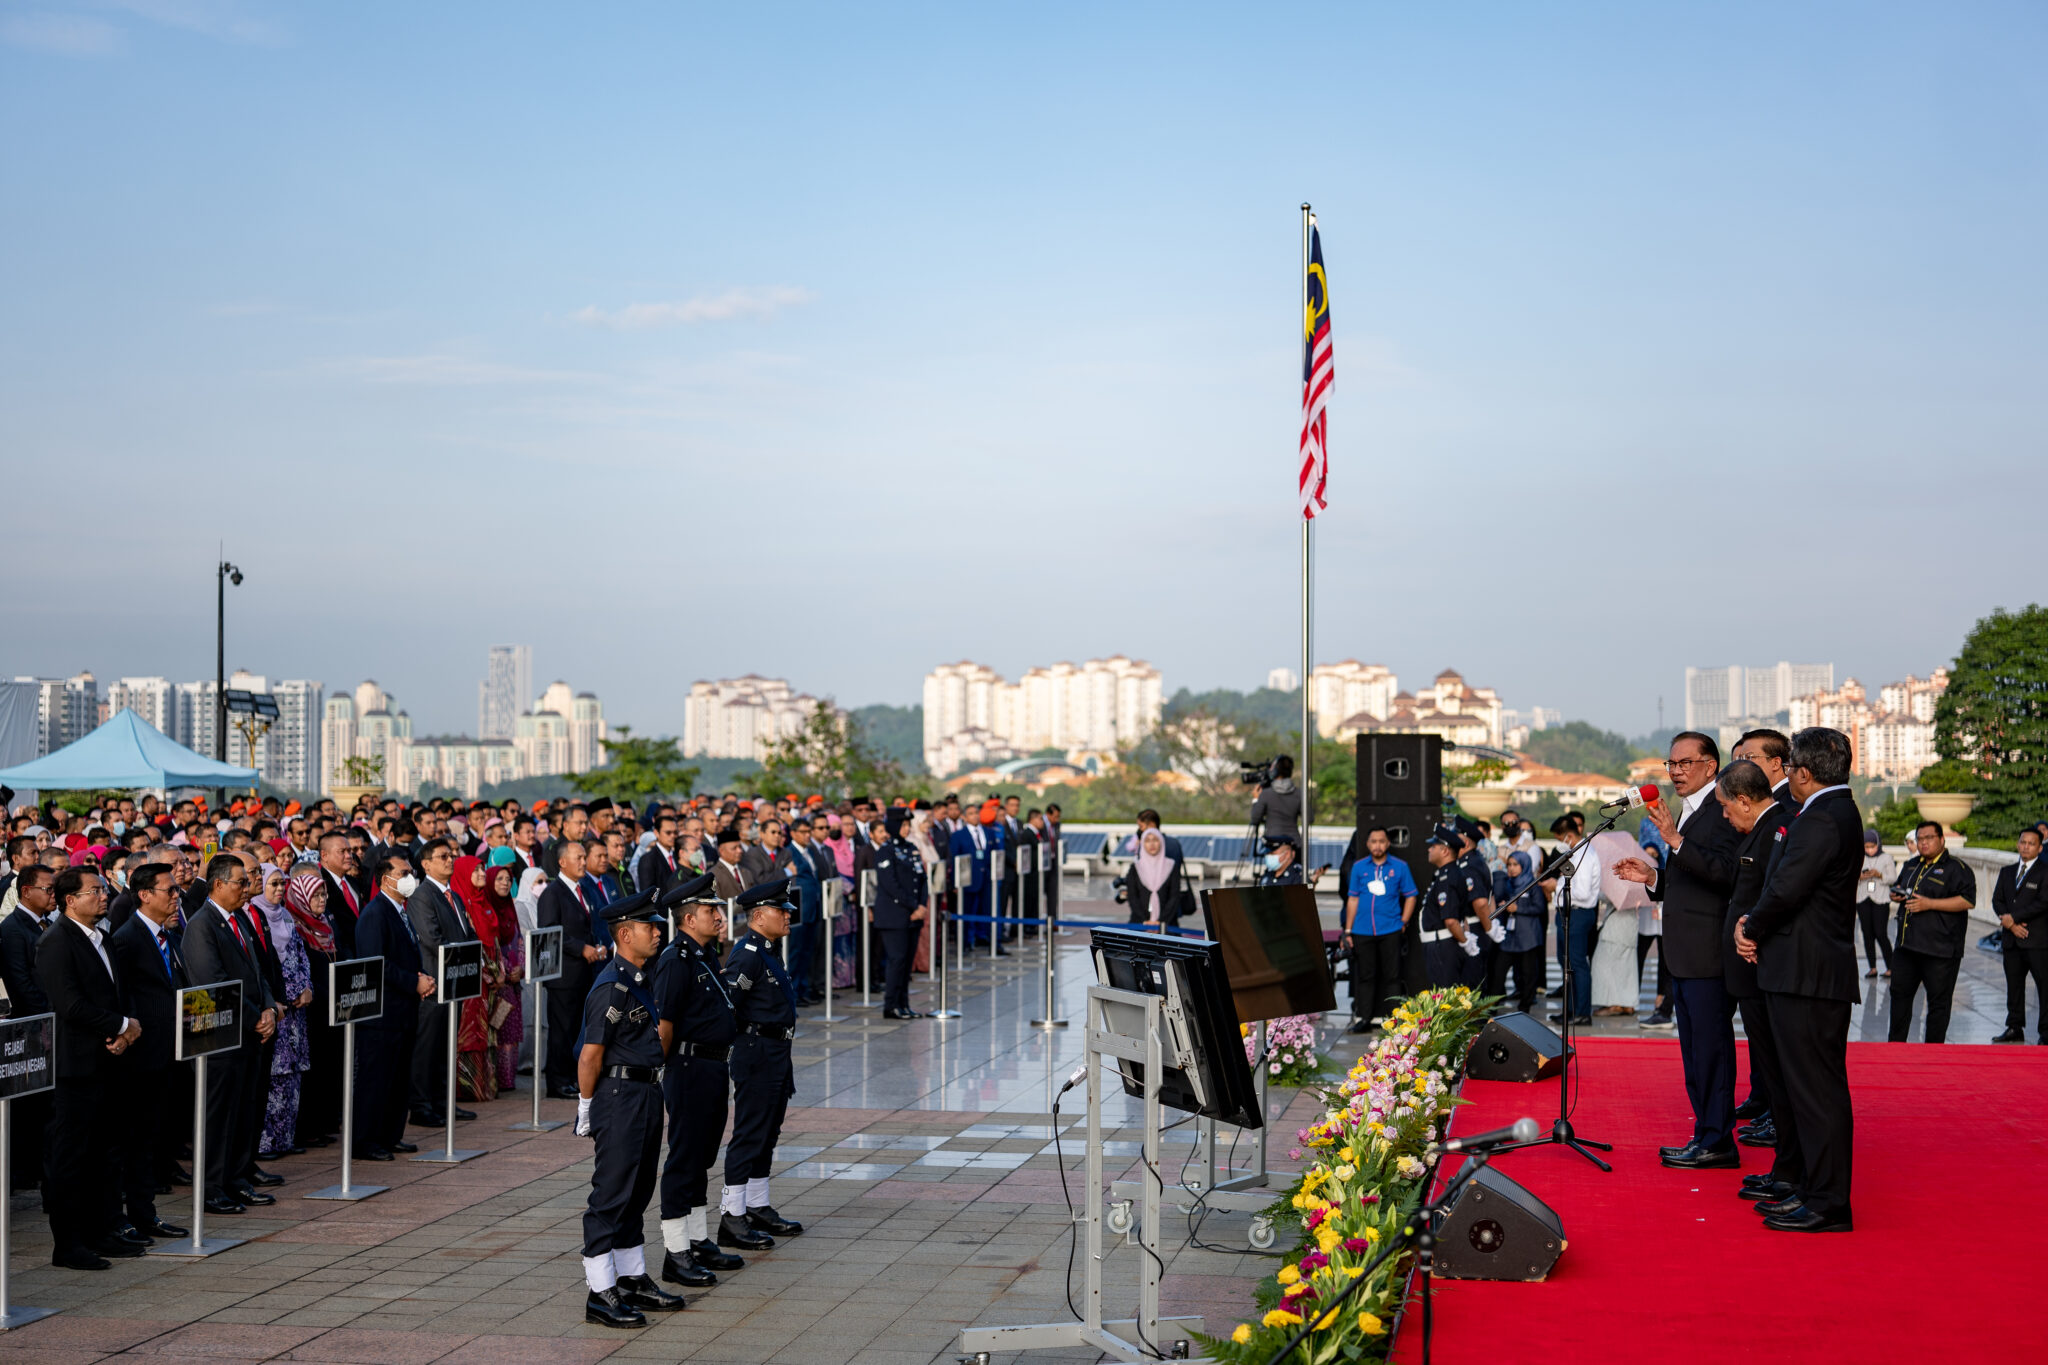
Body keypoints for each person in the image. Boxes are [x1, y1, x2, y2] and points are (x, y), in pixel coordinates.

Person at [1733, 726, 1863, 1233]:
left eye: (1789, 770)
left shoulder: (1824, 818)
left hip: (1808, 973)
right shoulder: (1832, 813)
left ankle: (1828, 1200)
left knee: (1817, 1092)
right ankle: (1810, 1187)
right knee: (1805, 1088)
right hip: (1804, 970)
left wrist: (1751, 925)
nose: (1785, 777)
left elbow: (1787, 888)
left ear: (1804, 773)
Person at [1615, 731, 1741, 1170]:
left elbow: (1726, 874)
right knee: (1693, 1054)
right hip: (1684, 953)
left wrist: (1674, 840)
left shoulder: (1724, 809)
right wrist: (1652, 878)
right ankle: (1705, 1135)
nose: (1675, 771)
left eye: (1685, 763)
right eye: (1671, 764)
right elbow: (1689, 882)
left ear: (1711, 765)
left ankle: (1718, 1140)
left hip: (1709, 952)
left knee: (1711, 1052)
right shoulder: (1689, 813)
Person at [574, 889, 687, 1328]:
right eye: (648, 927)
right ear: (624, 933)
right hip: (619, 1097)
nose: (657, 933)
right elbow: (590, 1055)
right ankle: (600, 1290)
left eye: (657, 926)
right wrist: (586, 1107)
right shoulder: (612, 986)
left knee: (638, 1190)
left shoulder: (639, 978)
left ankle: (632, 1276)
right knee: (611, 1193)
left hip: (644, 1092)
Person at [37, 868, 143, 1268]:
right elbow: (70, 1004)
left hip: (110, 1059)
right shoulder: (55, 941)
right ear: (70, 900)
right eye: (94, 891)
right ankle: (68, 1244)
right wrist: (120, 1026)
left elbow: (121, 991)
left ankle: (102, 1231)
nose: (103, 896)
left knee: (105, 1153)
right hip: (75, 1065)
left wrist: (128, 1029)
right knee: (71, 1157)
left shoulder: (104, 936)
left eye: (102, 889)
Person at [1709, 760, 1802, 1199]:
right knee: (1770, 1067)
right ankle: (1785, 1167)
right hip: (1751, 967)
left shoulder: (1779, 828)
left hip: (1762, 963)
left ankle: (1790, 1170)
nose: (1726, 817)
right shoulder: (1763, 829)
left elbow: (1775, 894)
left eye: (1727, 808)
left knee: (1781, 1074)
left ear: (1745, 800)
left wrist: (1749, 929)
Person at [653, 873, 747, 1286]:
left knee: (703, 1156)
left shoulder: (704, 954)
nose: (718, 915)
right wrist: (665, 1068)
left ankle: (697, 1239)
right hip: (688, 1068)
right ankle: (676, 1252)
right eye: (710, 910)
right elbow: (665, 1024)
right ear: (689, 919)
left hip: (712, 1066)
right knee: (684, 1158)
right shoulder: (677, 960)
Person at [174, 855, 279, 1214]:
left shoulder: (239, 920)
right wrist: (254, 1018)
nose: (247, 888)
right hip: (219, 1038)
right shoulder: (202, 926)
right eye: (240, 882)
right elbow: (213, 983)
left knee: (243, 1111)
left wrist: (268, 1008)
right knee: (217, 1116)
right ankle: (212, 1188)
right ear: (218, 884)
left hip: (248, 1033)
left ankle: (237, 1179)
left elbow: (257, 970)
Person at [720, 879, 805, 1247]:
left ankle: (756, 1204)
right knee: (751, 1132)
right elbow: (728, 1007)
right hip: (756, 1051)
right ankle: (732, 1214)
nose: (788, 915)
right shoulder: (748, 954)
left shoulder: (769, 949)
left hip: (776, 1052)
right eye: (780, 910)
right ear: (758, 916)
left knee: (769, 1130)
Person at [107, 862, 188, 1242]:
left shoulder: (168, 936)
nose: (176, 896)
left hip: (165, 1053)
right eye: (168, 890)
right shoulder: (127, 938)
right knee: (131, 1139)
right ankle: (121, 1215)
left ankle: (146, 1212)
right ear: (144, 895)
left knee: (151, 1138)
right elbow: (121, 998)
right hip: (138, 1057)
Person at [352, 853, 430, 1161]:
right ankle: (366, 1140)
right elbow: (376, 964)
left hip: (403, 1010)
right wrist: (413, 982)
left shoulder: (400, 910)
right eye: (404, 872)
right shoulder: (376, 913)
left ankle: (390, 1134)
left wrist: (420, 977)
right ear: (387, 879)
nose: (411, 877)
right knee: (376, 1079)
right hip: (382, 1013)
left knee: (398, 1077)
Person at [1886, 820, 1977, 1043]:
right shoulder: (1911, 865)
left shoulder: (1957, 868)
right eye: (1920, 839)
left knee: (1938, 1005)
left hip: (1940, 950)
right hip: (1907, 947)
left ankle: (1933, 1053)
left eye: (1929, 838)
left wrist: (1930, 904)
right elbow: (1901, 886)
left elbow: (1967, 901)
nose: (1924, 843)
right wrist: (1896, 895)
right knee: (1899, 1001)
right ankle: (1894, 1050)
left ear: (1941, 840)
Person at [0, 862, 56, 1194]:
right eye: (48, 889)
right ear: (26, 892)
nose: (53, 895)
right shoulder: (13, 929)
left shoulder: (47, 924)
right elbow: (21, 984)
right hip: (33, 1030)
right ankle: (24, 1170)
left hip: (49, 1026)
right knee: (30, 1109)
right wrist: (50, 1018)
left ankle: (34, 1167)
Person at [257, 868, 320, 1160]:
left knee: (293, 1076)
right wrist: (290, 993)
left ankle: (286, 1138)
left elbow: (300, 956)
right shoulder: (256, 917)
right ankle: (266, 1143)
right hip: (277, 1010)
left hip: (297, 1012)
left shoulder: (286, 917)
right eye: (274, 883)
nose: (280, 889)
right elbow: (266, 968)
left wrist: (306, 987)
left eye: (283, 883)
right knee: (274, 1079)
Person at [540, 840, 606, 1098]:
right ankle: (557, 1081)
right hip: (563, 974)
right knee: (562, 1029)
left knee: (577, 1028)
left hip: (584, 973)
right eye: (577, 857)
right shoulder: (553, 893)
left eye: (583, 857)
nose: (582, 862)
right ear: (562, 862)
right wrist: (581, 948)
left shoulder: (584, 890)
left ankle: (572, 1077)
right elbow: (548, 930)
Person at [1342, 827, 1416, 1031]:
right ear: (1367, 844)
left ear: (1388, 843)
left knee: (1392, 977)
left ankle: (1394, 1021)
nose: (1377, 845)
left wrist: (1403, 921)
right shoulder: (1359, 867)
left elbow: (1411, 895)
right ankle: (1364, 1019)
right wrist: (1348, 930)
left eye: (1381, 841)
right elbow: (1353, 899)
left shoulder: (1400, 866)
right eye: (1373, 841)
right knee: (1365, 976)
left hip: (1390, 929)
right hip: (1362, 930)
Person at [450, 855, 504, 1102]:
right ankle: (467, 1087)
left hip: (492, 980)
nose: (482, 874)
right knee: (470, 1033)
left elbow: (494, 940)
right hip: (473, 980)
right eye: (476, 870)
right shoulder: (463, 906)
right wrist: (485, 970)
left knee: (489, 1032)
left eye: (483, 869)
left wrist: (499, 969)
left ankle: (486, 1085)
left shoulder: (485, 903)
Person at [1992, 829, 2048, 1043]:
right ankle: (2014, 1027)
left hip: (2037, 940)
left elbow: (2043, 902)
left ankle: (2046, 1031)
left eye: (2031, 843)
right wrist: (2010, 924)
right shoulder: (2007, 871)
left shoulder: (2045, 872)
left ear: (2040, 848)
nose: (2026, 846)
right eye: (2023, 842)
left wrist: (2012, 918)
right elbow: (1997, 900)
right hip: (2012, 940)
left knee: (2044, 988)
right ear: (2017, 844)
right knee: (2014, 986)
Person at [873, 808, 929, 1018]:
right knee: (897, 960)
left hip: (913, 914)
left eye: (908, 825)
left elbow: (922, 879)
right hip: (895, 915)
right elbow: (890, 884)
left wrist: (922, 905)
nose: (906, 829)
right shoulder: (886, 850)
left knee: (906, 963)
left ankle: (904, 1003)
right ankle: (891, 1005)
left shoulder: (911, 848)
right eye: (903, 825)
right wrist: (913, 906)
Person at [1544, 816, 1602, 1019]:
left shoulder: (1585, 854)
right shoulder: (1574, 853)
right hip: (1567, 912)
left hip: (1578, 912)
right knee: (1566, 962)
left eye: (1560, 838)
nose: (1560, 843)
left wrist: (1556, 885)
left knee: (1577, 963)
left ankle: (1582, 1012)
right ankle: (1569, 1010)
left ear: (1569, 836)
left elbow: (1583, 892)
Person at [1854, 829, 1896, 979]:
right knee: (1867, 934)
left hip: (1880, 899)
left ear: (1878, 844)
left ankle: (1891, 967)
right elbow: (1850, 876)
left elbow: (1892, 878)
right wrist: (1860, 876)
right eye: (1866, 847)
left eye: (1872, 846)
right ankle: (1872, 967)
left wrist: (1879, 875)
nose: (1870, 850)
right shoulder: (1858, 857)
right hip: (1863, 898)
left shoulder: (1886, 858)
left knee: (1880, 933)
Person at [1124, 828, 1185, 929]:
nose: (1152, 844)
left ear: (1161, 842)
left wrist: (1160, 922)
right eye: (1147, 841)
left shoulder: (1171, 866)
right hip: (1139, 925)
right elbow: (1132, 897)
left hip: (1168, 926)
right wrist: (1145, 921)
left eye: (1155, 840)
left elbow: (1174, 896)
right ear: (1142, 844)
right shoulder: (1136, 868)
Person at [1249, 757, 1302, 844]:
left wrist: (1256, 799)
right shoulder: (1299, 793)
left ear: (1274, 771)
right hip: (1294, 843)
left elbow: (1255, 819)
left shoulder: (1266, 794)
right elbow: (1310, 818)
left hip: (1273, 844)